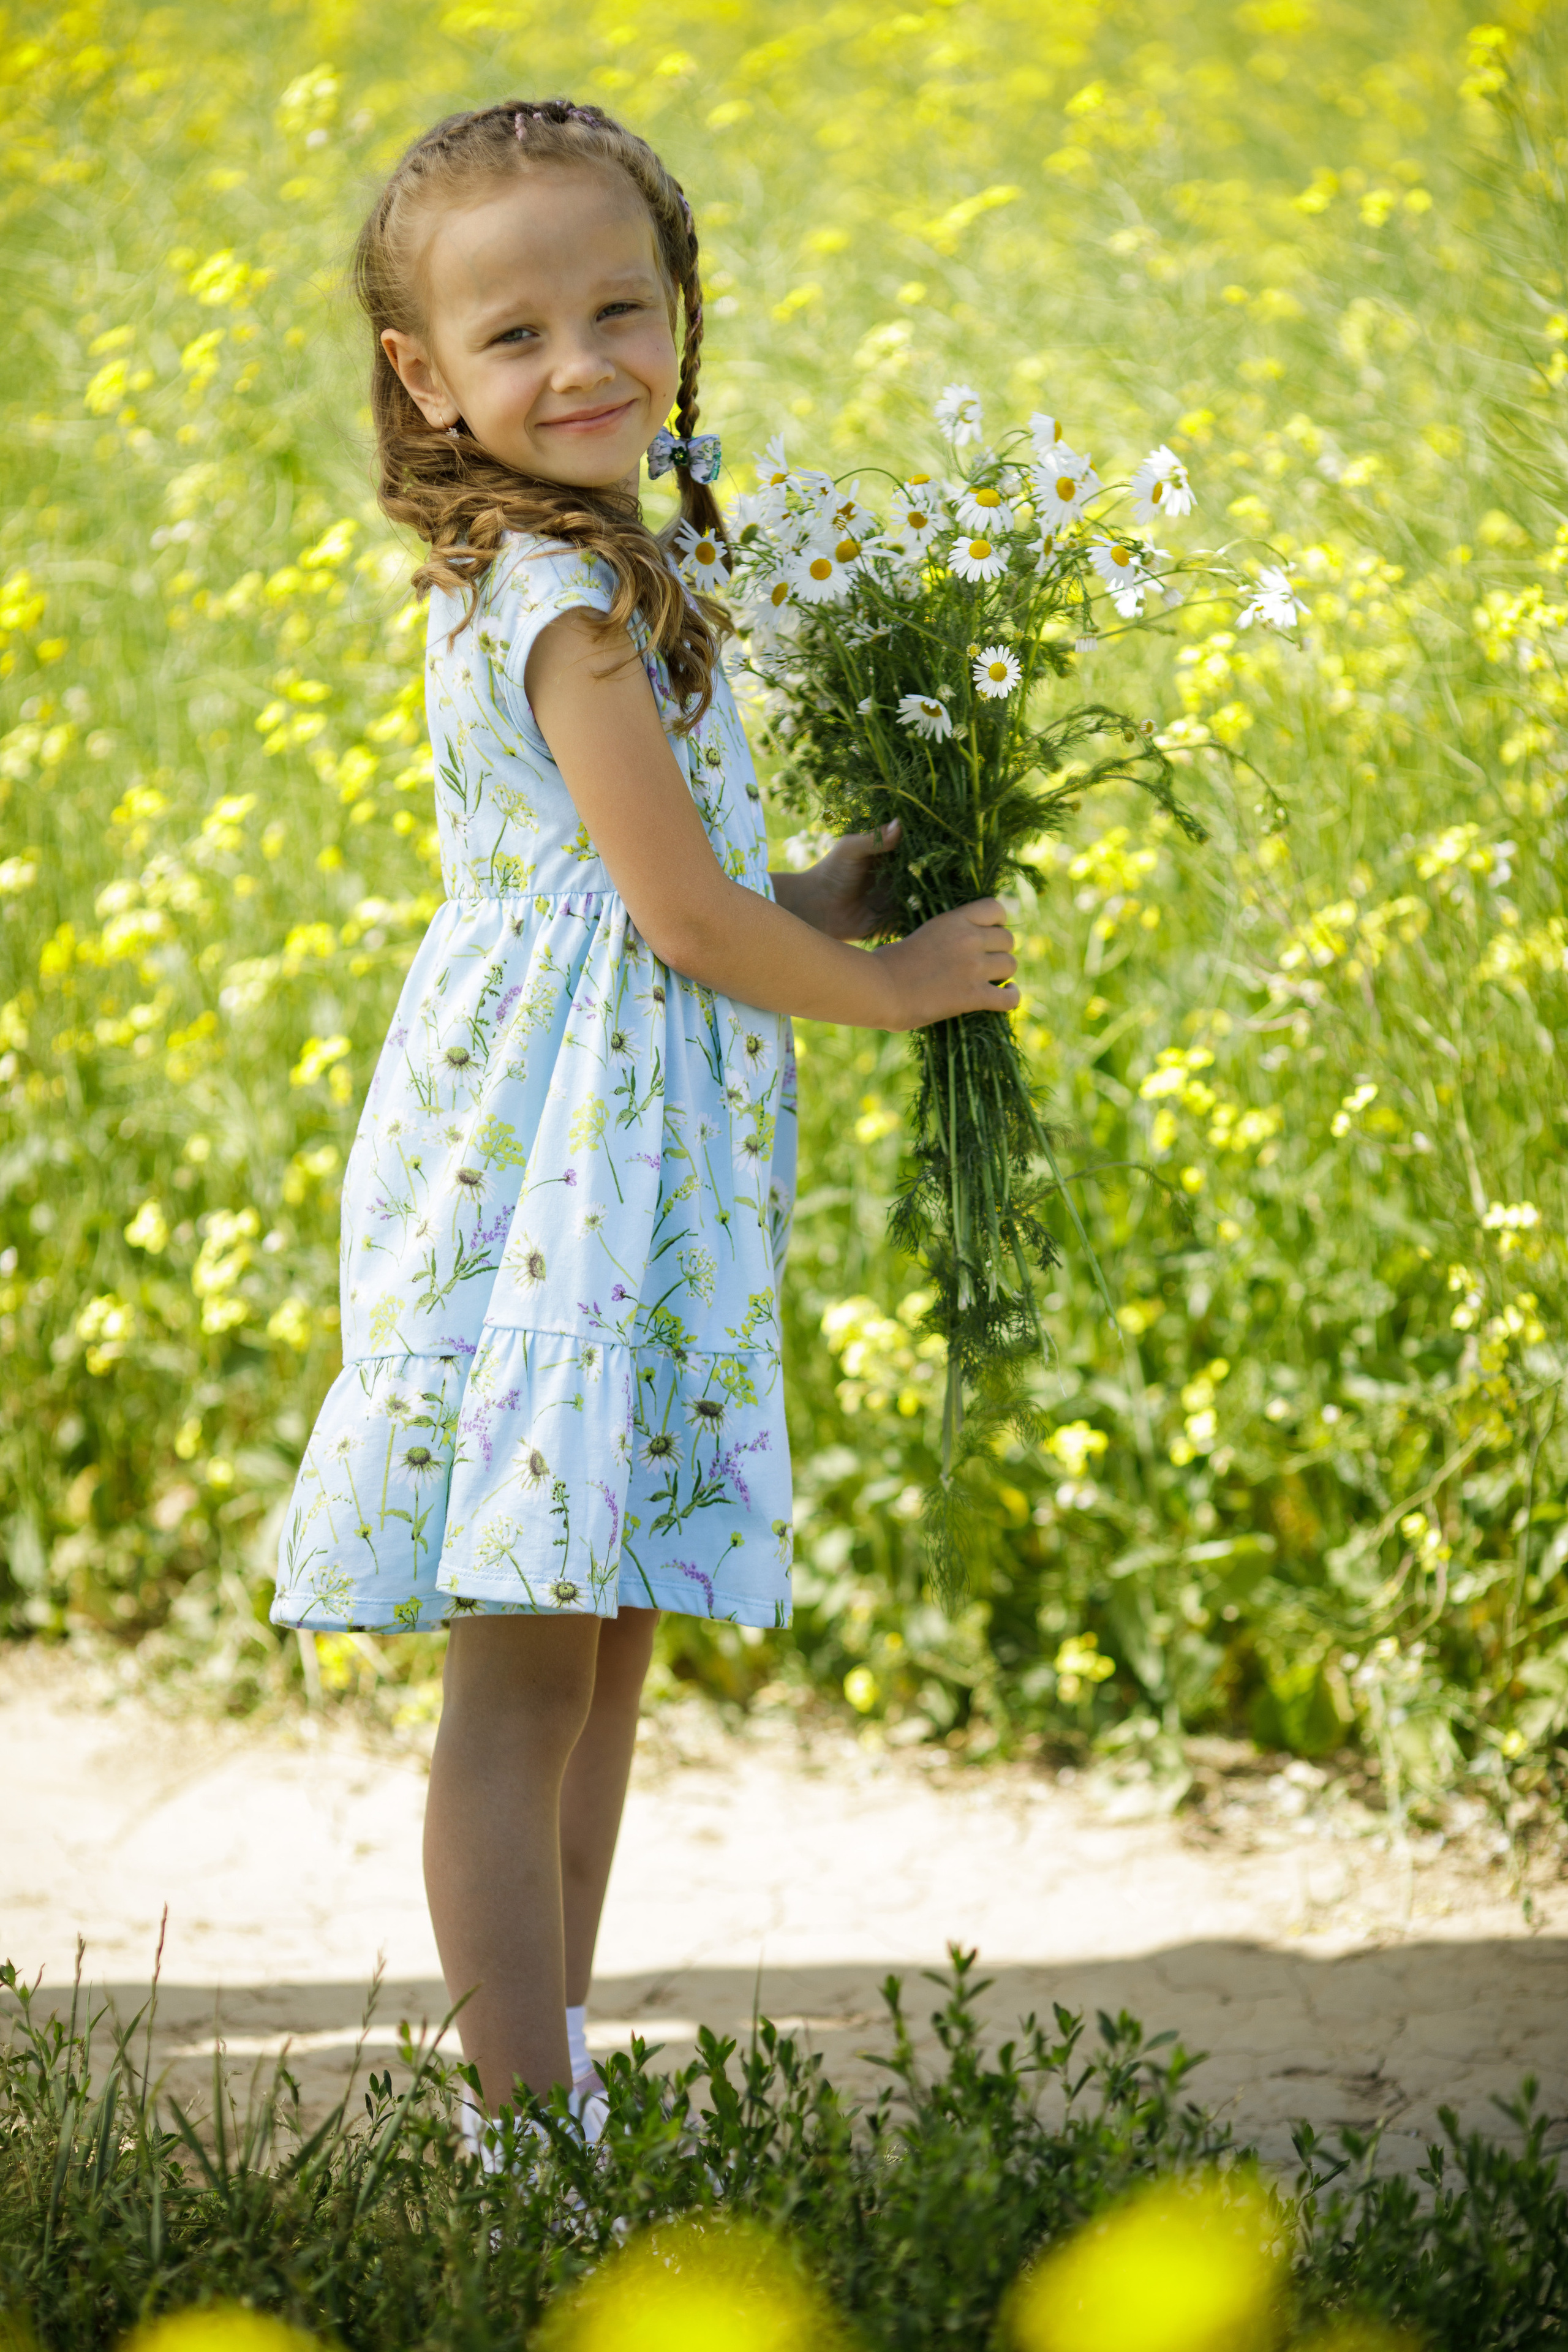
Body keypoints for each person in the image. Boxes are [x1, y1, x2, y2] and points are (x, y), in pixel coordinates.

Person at [268, 96, 1017, 2155]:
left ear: (682, 312)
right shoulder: (564, 600)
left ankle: (555, 2071)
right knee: (529, 1682)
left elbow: (653, 903)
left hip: (612, 1175)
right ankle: (523, 2140)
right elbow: (674, 920)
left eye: (624, 307)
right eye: (515, 337)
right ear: (424, 374)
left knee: (598, 1653)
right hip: (547, 1201)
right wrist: (884, 989)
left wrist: (837, 893)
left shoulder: (601, 568)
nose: (584, 362)